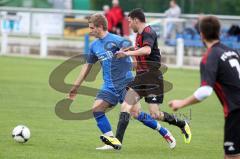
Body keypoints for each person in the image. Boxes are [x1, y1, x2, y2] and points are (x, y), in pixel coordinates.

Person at [68, 13, 175, 151]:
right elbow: (86, 67)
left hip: (126, 84)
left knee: (136, 114)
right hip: (108, 86)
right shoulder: (94, 46)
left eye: (92, 28)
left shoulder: (118, 40)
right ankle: (111, 141)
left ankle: (164, 132)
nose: (90, 31)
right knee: (97, 109)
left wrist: (137, 67)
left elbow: (135, 52)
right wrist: (76, 86)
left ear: (100, 27)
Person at [100, 8, 191, 150]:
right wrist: (127, 50)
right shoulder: (139, 35)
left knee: (155, 114)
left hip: (153, 77)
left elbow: (147, 50)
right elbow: (139, 48)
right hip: (141, 77)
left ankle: (181, 123)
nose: (129, 25)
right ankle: (117, 142)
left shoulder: (149, 32)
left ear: (136, 20)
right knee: (126, 106)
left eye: (129, 22)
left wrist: (126, 54)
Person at [169, 16, 240, 159]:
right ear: (219, 33)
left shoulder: (210, 57)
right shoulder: (232, 51)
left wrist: (181, 103)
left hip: (236, 112)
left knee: (231, 156)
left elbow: (205, 91)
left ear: (201, 35)